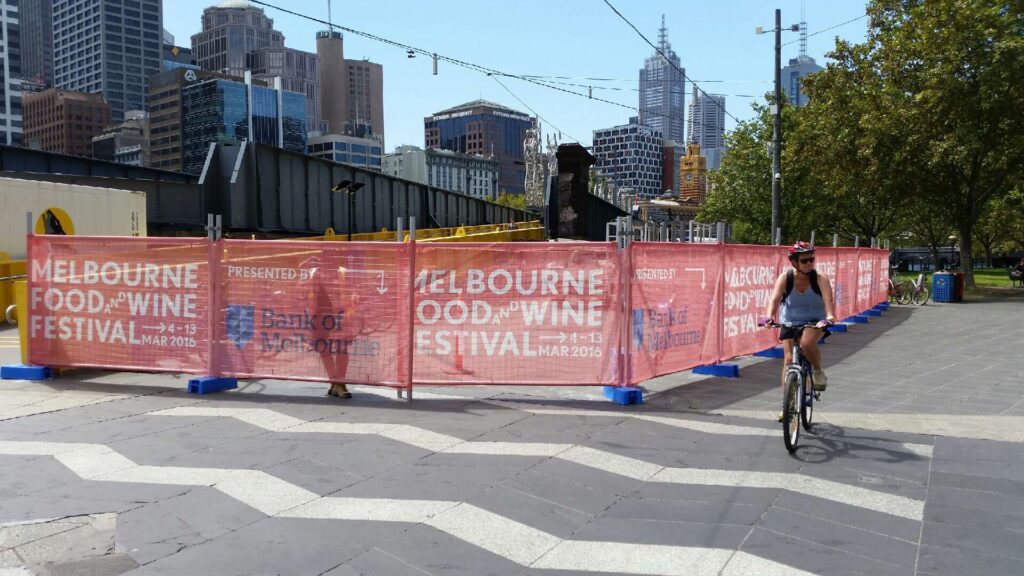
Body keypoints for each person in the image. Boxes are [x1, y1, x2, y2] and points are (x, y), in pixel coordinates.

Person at [765, 242, 837, 416]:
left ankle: (818, 371)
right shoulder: (786, 278)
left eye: (812, 259)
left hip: (815, 321)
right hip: (790, 320)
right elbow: (775, 300)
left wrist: (829, 317)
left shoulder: (820, 278)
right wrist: (769, 316)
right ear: (794, 262)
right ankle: (787, 404)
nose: (810, 263)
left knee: (806, 343)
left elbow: (828, 301)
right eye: (805, 261)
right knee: (788, 360)